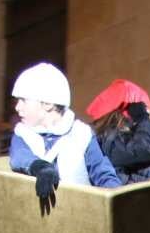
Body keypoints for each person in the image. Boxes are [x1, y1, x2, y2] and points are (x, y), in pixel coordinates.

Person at [8, 62, 122, 214]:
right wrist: (40, 167)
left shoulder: (82, 134)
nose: (17, 107)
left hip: (79, 218)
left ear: (48, 104)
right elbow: (20, 157)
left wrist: (117, 198)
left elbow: (101, 172)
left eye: (23, 100)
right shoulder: (22, 134)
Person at [86, 78, 150, 183]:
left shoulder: (114, 139)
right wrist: (142, 118)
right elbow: (145, 150)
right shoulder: (109, 140)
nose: (149, 114)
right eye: (143, 108)